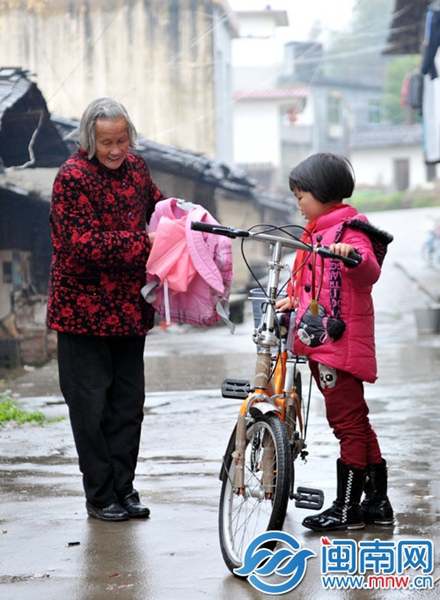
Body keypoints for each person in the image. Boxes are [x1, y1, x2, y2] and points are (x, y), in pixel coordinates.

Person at [46, 97, 167, 521]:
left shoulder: (137, 169)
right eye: (106, 142)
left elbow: (158, 210)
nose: (116, 150)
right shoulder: (71, 177)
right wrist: (142, 244)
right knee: (90, 405)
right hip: (81, 312)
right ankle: (100, 495)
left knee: (127, 404)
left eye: (122, 140)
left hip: (129, 311)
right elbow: (79, 244)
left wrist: (183, 220)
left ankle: (124, 488)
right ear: (88, 140)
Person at [276, 153, 394, 532]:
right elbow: (309, 285)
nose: (298, 203)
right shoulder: (316, 232)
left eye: (301, 195)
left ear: (324, 193)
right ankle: (376, 501)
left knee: (347, 424)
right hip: (322, 342)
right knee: (356, 421)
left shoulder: (349, 231)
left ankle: (347, 509)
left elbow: (368, 273)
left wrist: (353, 257)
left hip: (338, 348)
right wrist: (292, 299)